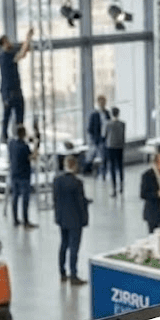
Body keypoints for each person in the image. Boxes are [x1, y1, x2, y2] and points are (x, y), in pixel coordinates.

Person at [53, 155, 91, 285]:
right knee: (74, 247)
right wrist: (85, 219)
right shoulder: (77, 183)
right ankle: (73, 274)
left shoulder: (57, 181)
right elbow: (80, 203)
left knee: (63, 244)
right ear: (74, 166)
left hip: (62, 218)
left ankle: (62, 272)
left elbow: (55, 199)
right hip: (75, 220)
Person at [0, 29, 34, 142]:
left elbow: (24, 51)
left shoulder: (8, 54)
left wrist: (27, 43)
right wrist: (28, 37)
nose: (10, 43)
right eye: (8, 41)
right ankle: (6, 135)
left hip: (13, 90)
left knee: (16, 115)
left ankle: (16, 135)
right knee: (11, 115)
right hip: (10, 92)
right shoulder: (5, 57)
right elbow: (22, 54)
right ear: (4, 42)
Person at [9, 125, 37, 229]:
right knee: (25, 199)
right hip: (24, 175)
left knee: (15, 197)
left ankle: (15, 220)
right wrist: (35, 144)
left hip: (14, 174)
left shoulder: (11, 143)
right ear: (24, 133)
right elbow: (32, 157)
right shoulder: (24, 146)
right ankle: (26, 221)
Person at [104, 106, 126, 196]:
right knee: (120, 166)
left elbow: (105, 135)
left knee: (112, 167)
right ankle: (121, 186)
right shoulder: (122, 124)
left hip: (110, 146)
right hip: (120, 146)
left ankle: (114, 188)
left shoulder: (108, 124)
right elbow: (123, 135)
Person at [86, 95, 110, 178]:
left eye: (104, 102)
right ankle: (100, 172)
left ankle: (103, 172)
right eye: (101, 102)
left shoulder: (107, 113)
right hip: (98, 139)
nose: (103, 104)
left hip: (106, 138)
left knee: (105, 156)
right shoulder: (94, 114)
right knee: (101, 156)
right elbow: (90, 129)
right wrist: (93, 140)